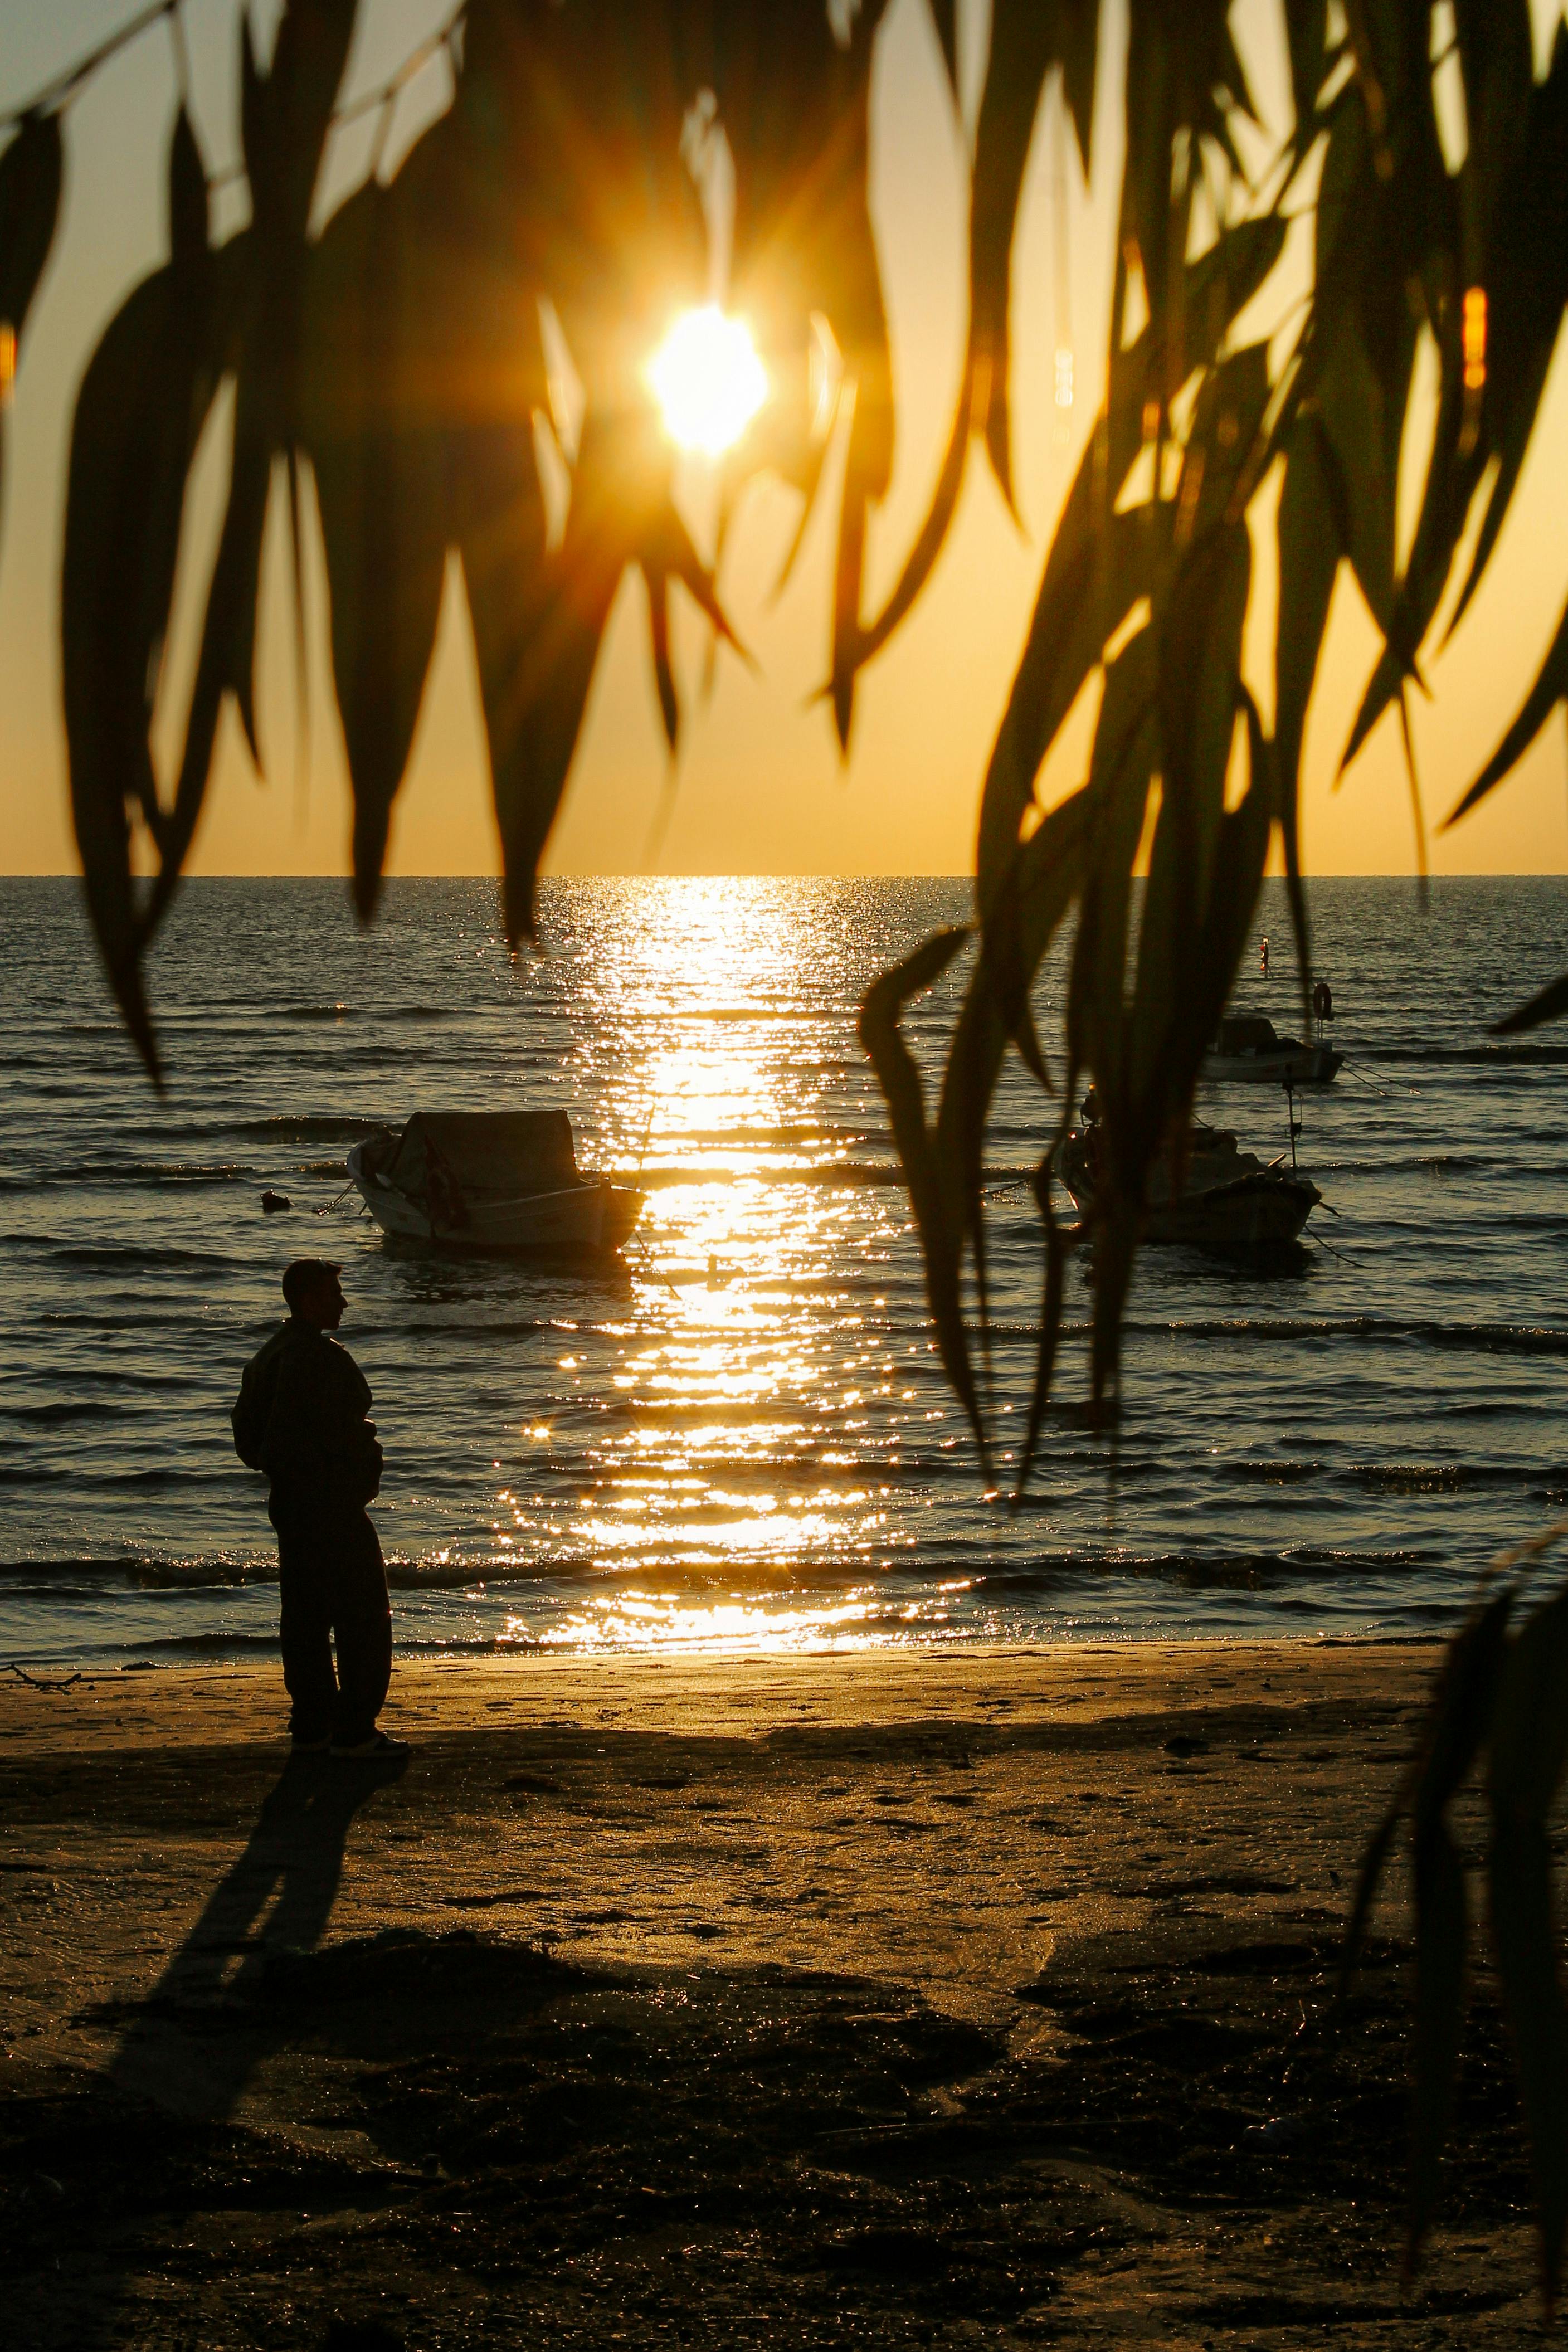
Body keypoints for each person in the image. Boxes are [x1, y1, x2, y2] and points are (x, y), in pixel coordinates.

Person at [232, 1260, 405, 1759]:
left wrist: (278, 1469)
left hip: (292, 1504)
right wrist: (348, 1479)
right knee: (363, 1617)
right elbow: (325, 1433)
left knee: (305, 1615)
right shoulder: (319, 1359)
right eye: (334, 1293)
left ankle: (312, 1723)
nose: (344, 1302)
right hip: (330, 1506)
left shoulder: (269, 1355)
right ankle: (354, 1729)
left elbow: (249, 1435)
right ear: (309, 1300)